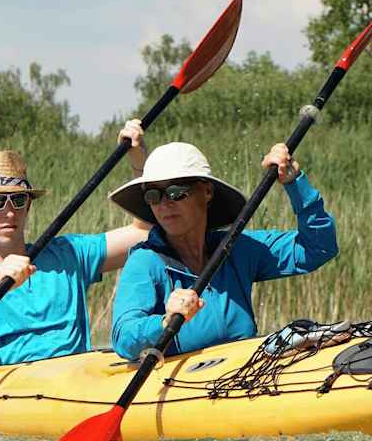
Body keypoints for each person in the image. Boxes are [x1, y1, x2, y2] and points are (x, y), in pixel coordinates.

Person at [0, 121, 151, 367]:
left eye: (18, 200)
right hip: (7, 391)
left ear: (29, 205)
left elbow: (143, 232)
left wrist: (139, 164)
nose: (10, 212)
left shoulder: (69, 253)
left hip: (76, 385)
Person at [108, 141, 338, 360]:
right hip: (183, 391)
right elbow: (123, 338)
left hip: (240, 380)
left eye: (176, 192)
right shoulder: (145, 262)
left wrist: (294, 183)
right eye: (153, 195)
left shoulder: (237, 248)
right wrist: (164, 322)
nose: (164, 204)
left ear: (207, 191)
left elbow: (317, 248)